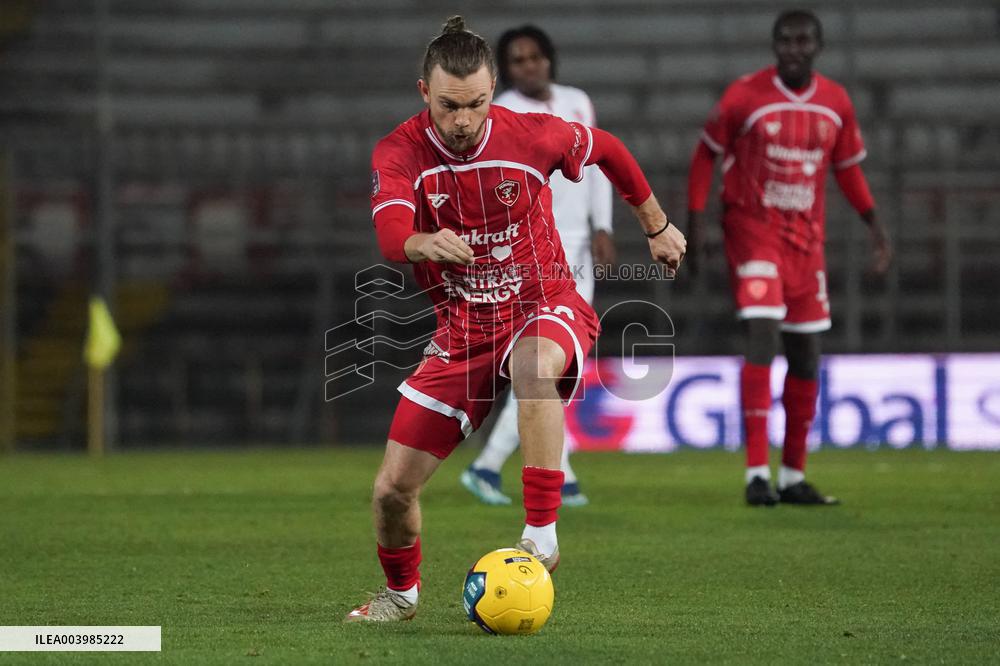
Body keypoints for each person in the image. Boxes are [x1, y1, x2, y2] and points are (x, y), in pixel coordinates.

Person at [347, 16, 685, 622]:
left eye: (476, 103)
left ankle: (541, 536)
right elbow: (391, 231)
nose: (462, 120)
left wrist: (656, 225)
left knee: (533, 365)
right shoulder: (398, 152)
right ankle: (401, 596)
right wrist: (422, 242)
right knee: (392, 492)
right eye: (449, 105)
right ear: (424, 92)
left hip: (543, 302)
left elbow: (607, 149)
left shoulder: (531, 134)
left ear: (492, 90)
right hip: (464, 330)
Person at [686, 9, 891, 507]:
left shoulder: (835, 102)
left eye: (804, 41)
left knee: (805, 353)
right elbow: (705, 154)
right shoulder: (744, 96)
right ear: (775, 45)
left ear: (817, 47)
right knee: (762, 332)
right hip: (752, 231)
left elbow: (847, 170)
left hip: (806, 243)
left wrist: (875, 227)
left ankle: (794, 475)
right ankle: (757, 473)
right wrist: (693, 221)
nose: (794, 49)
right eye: (786, 40)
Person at [461, 25, 615, 508]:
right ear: (505, 70)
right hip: (535, 250)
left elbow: (596, 163)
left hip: (580, 247)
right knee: (545, 365)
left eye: (534, 57)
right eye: (518, 60)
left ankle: (557, 472)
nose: (528, 66)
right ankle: (490, 466)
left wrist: (603, 225)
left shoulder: (577, 100)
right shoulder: (502, 111)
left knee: (553, 364)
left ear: (549, 59)